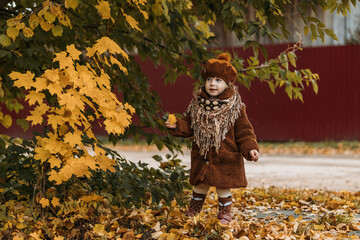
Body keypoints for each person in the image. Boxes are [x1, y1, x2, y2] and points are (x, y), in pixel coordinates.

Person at [165, 52, 260, 225]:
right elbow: (189, 125)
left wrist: (250, 149)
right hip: (203, 155)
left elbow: (245, 132)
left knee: (223, 187)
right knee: (200, 185)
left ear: (227, 84)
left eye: (218, 80)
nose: (212, 84)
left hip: (225, 156)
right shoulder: (197, 105)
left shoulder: (236, 107)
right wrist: (177, 125)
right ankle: (193, 211)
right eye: (209, 80)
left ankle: (224, 214)